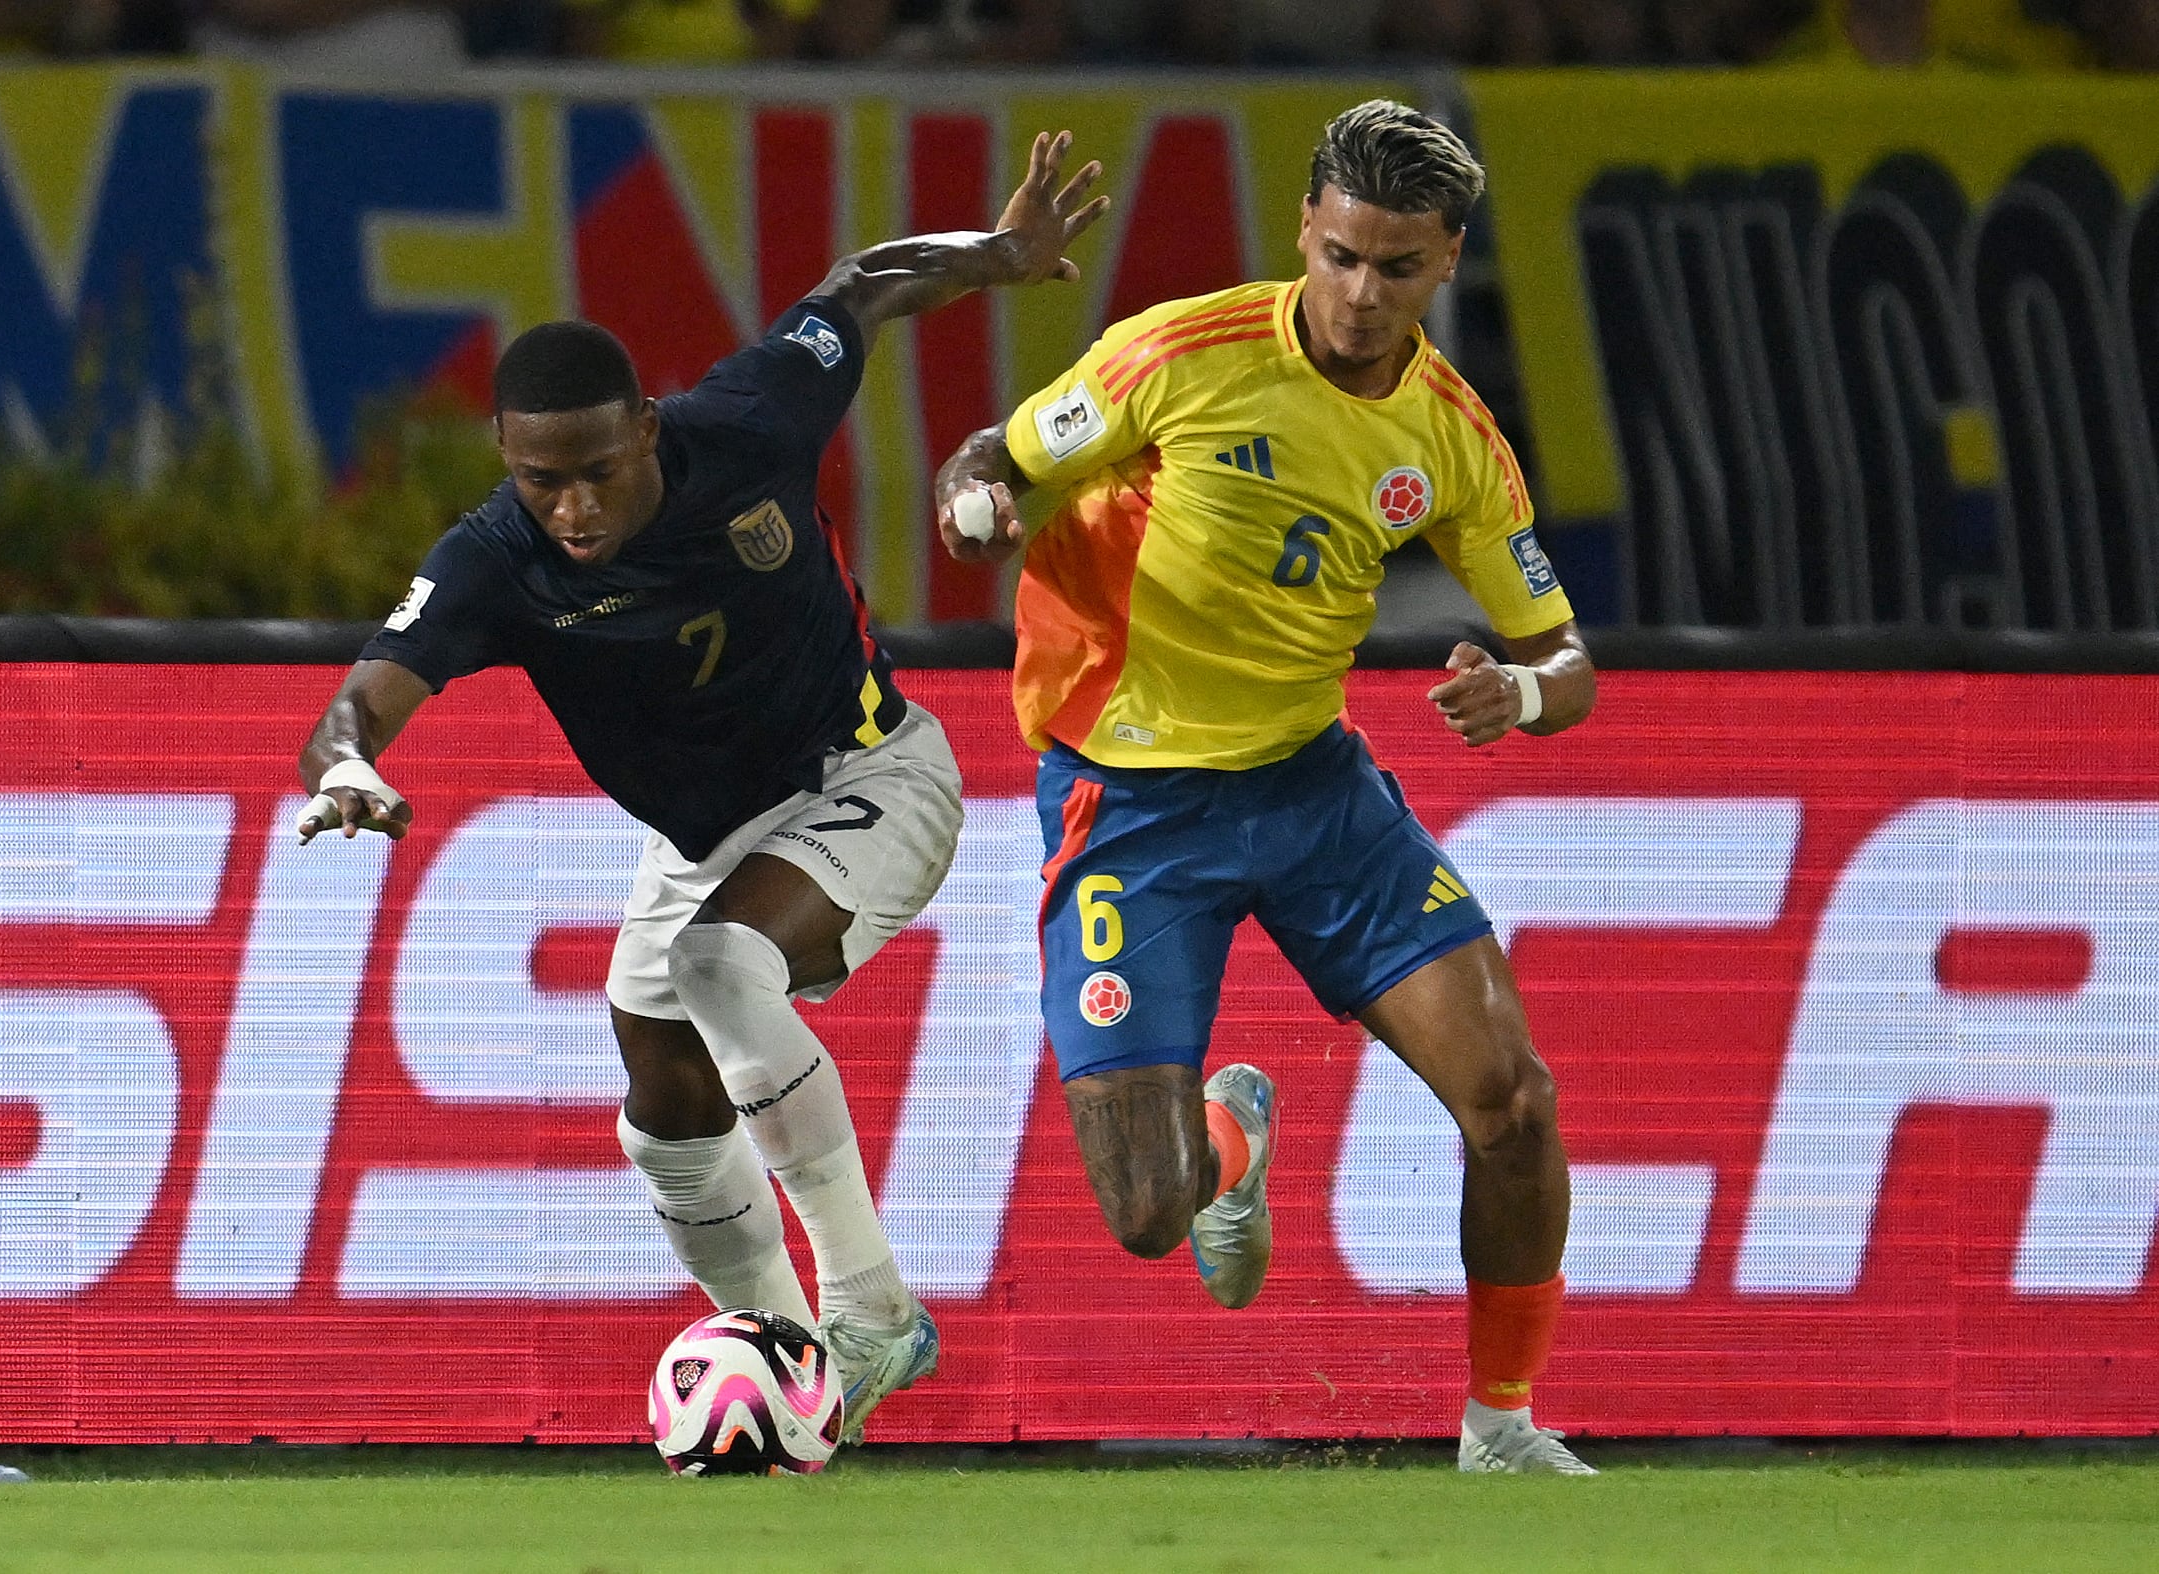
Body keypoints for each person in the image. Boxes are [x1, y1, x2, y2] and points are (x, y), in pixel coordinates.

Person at [296, 129, 1107, 1441]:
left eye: (595, 471)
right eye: (537, 477)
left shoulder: (748, 423)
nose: (568, 505)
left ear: (648, 431)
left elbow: (859, 285)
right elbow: (372, 686)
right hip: (707, 838)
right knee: (662, 1099)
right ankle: (792, 1372)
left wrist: (1000, 255)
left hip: (873, 772)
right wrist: (342, 763)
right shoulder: (496, 559)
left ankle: (873, 1311)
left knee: (724, 970)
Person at [933, 100, 1600, 1474]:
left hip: (1313, 789)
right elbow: (998, 457)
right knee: (1146, 1211)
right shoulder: (1176, 354)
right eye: (1342, 255)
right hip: (1127, 806)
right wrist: (975, 509)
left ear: (1445, 263)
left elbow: (1564, 657)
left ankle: (1502, 1426)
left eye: (1395, 267)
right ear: (1305, 228)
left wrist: (1521, 695)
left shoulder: (1456, 442)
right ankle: (1227, 1142)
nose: (1361, 295)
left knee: (1515, 1101)